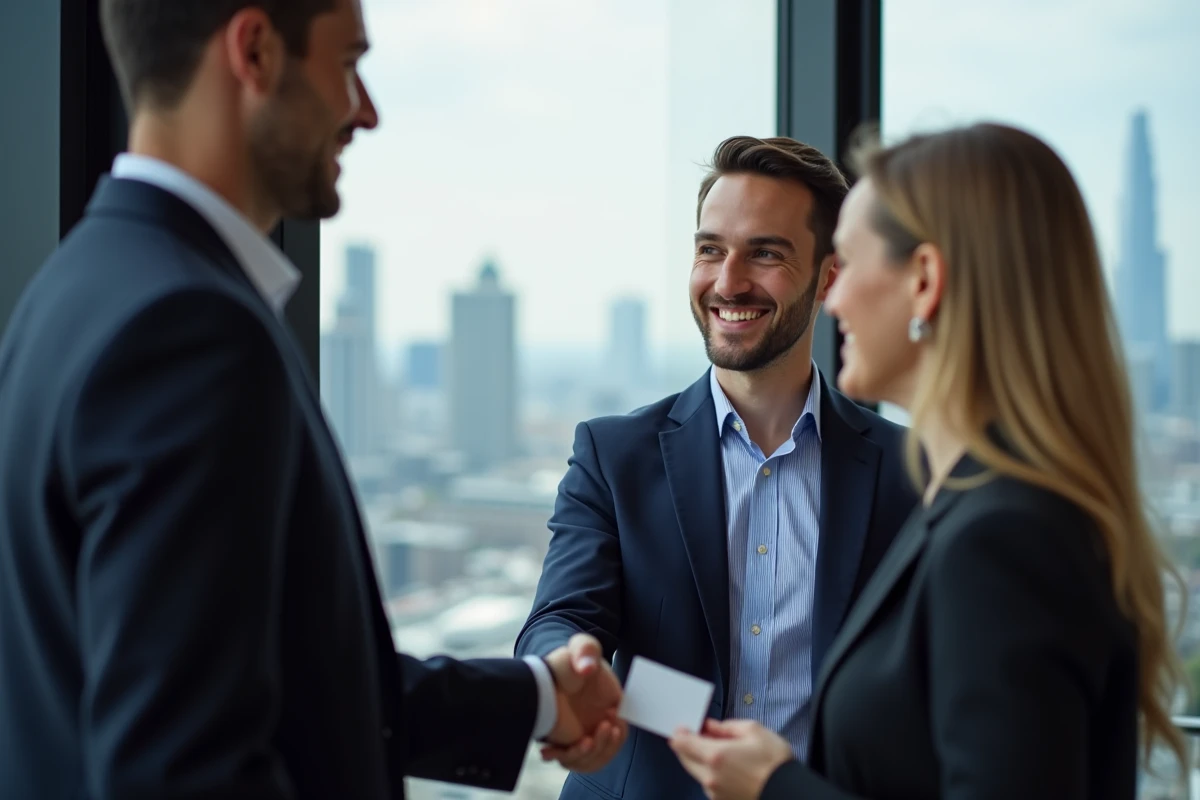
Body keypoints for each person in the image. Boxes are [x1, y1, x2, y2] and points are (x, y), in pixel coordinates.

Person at [0, 1, 626, 798]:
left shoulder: (77, 286)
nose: (365, 110)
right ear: (255, 51)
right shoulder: (191, 334)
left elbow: (271, 680)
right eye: (347, 64)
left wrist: (536, 698)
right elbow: (185, 767)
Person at [668, 122, 1187, 799]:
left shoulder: (1003, 539)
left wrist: (775, 788)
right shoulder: (976, 504)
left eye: (848, 263)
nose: (834, 295)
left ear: (925, 281)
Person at [519, 136, 918, 799]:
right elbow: (559, 616)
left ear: (828, 277)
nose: (727, 281)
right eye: (710, 250)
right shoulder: (614, 455)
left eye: (765, 253)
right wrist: (565, 664)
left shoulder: (908, 473)